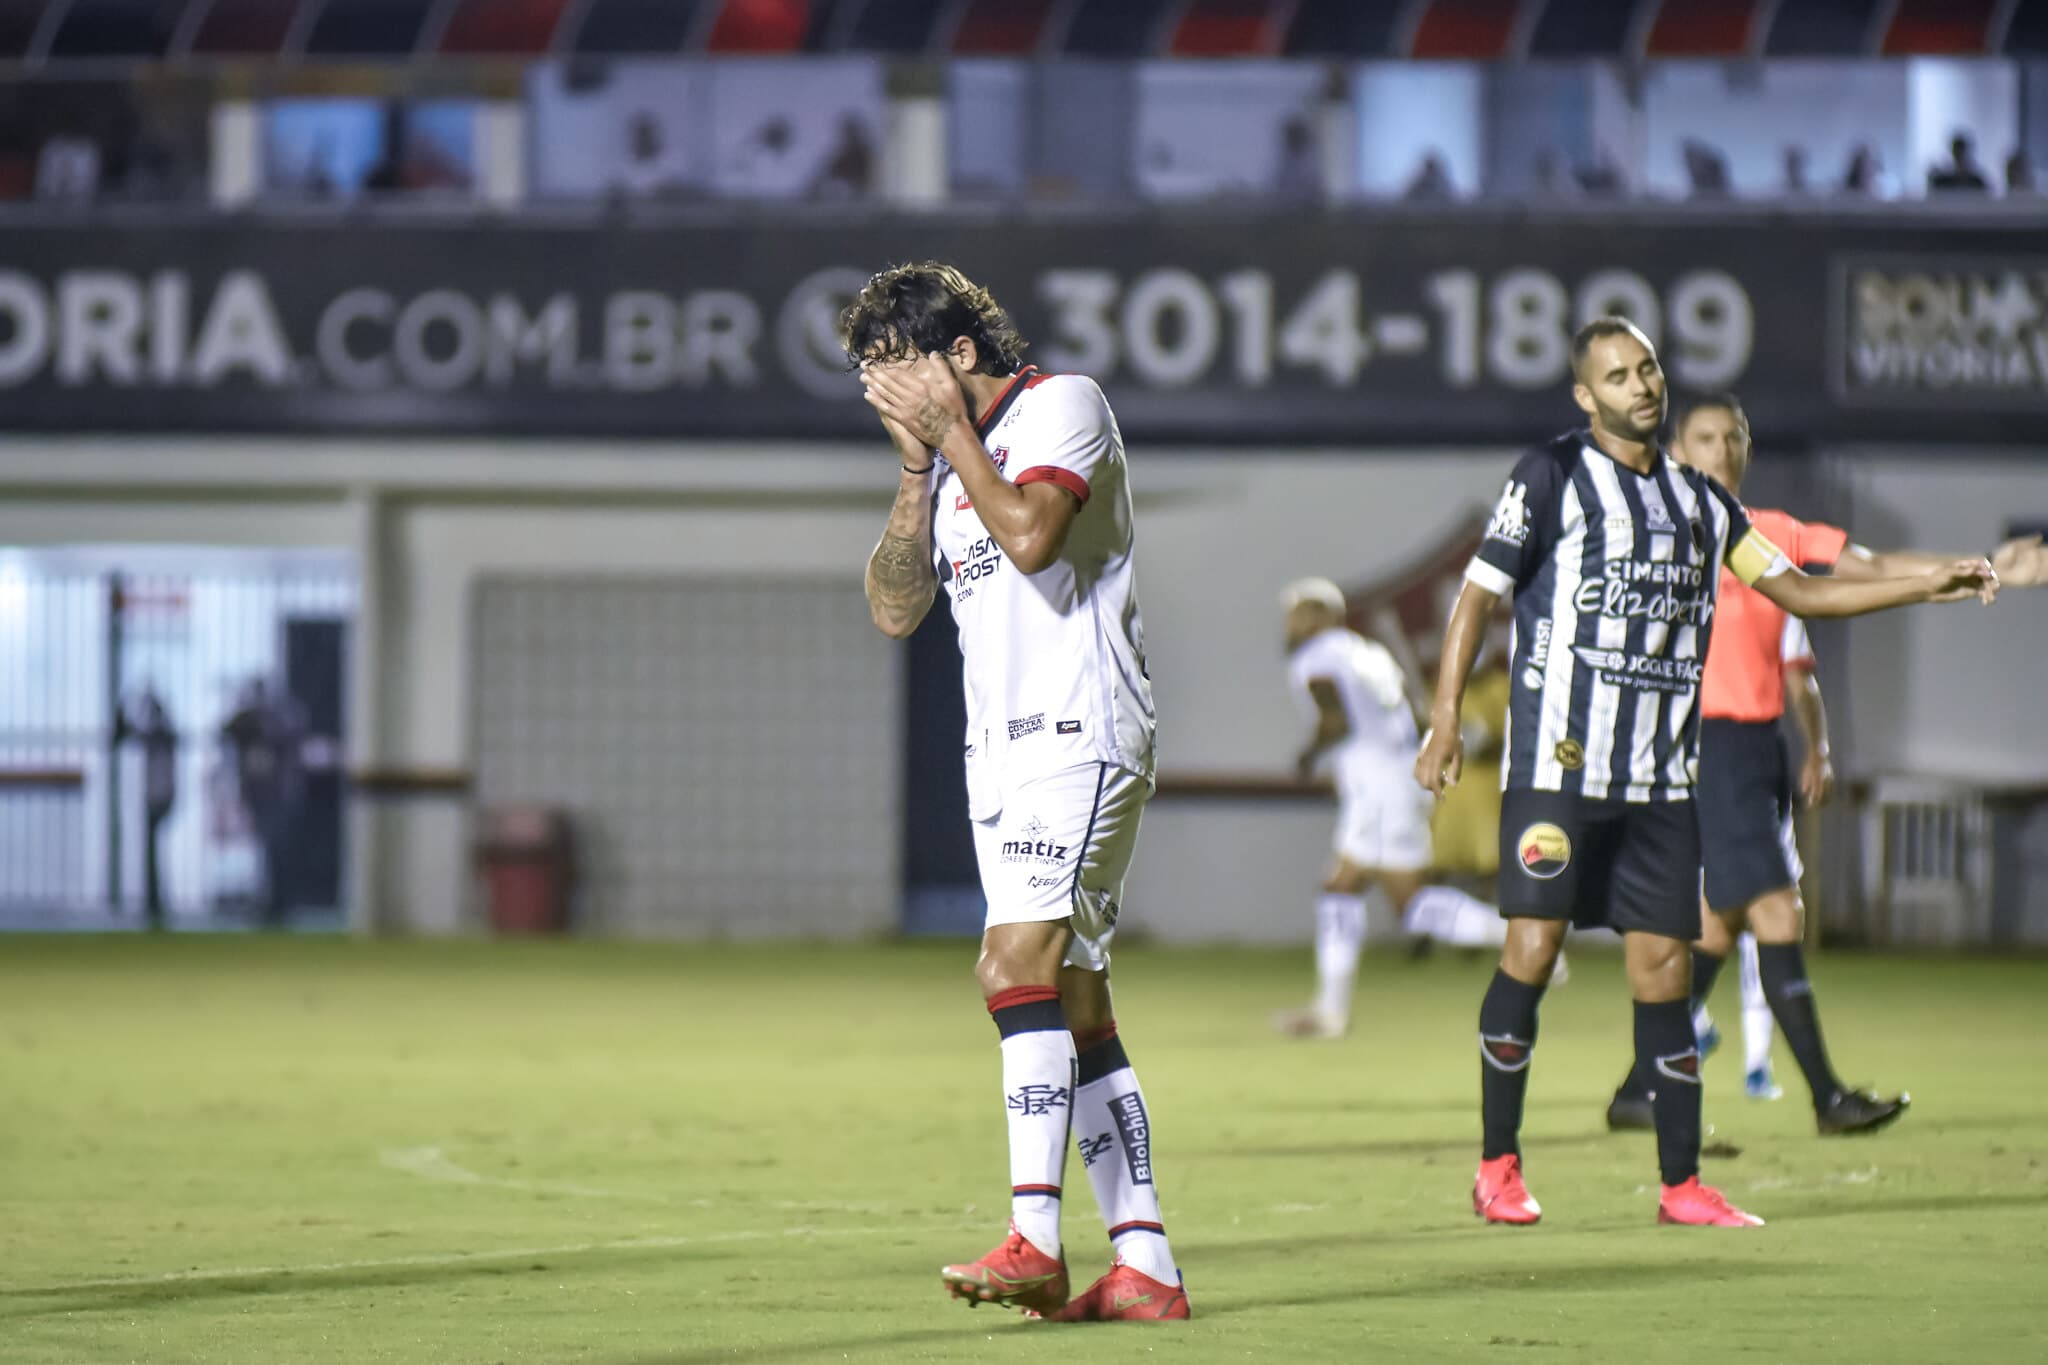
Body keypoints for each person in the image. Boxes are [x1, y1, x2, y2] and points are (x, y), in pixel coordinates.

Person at [1414, 319, 1995, 1229]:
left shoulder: (1703, 504)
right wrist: (1446, 717)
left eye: (1646, 367)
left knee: (1664, 968)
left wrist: (1925, 584)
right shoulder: (1551, 477)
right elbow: (1479, 596)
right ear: (1585, 395)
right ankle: (1498, 1165)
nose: (1640, 385)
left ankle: (1681, 1183)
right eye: (1617, 375)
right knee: (1532, 950)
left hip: (1658, 780)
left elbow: (1801, 589)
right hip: (1560, 768)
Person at [847, 262, 1189, 1323]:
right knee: (1075, 1002)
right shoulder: (944, 468)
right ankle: (1145, 1266)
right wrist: (917, 469)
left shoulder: (1061, 405)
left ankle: (1033, 1241)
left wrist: (950, 437)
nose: (884, 390)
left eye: (893, 365)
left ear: (957, 353)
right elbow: (894, 610)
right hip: (1000, 759)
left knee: (1011, 964)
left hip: (1079, 735)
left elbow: (1036, 539)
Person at [1606, 394, 2039, 1135]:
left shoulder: (1767, 533)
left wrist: (1978, 567)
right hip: (1704, 743)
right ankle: (1827, 1097)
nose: (1722, 449)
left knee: (1717, 927)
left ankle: (1640, 1088)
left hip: (1754, 747)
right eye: (1706, 437)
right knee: (1776, 909)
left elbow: (1867, 564)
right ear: (1678, 449)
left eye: (1734, 436)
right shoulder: (1652, 538)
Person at [1273, 577, 1519, 1040]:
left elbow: (1335, 720)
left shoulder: (1318, 656)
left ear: (1324, 615)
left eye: (1299, 612)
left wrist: (1308, 755)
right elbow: (1416, 709)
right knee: (1340, 889)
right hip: (1391, 781)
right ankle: (1329, 1010)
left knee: (1411, 902)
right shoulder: (1368, 651)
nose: (1291, 623)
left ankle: (1521, 939)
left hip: (1379, 789)